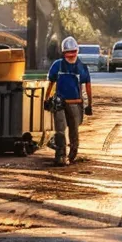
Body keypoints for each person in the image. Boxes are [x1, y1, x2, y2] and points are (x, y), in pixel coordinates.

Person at [44, 36, 93, 166]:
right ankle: (60, 156)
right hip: (60, 103)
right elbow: (51, 83)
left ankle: (73, 154)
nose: (71, 55)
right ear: (63, 53)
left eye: (73, 52)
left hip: (76, 103)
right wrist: (47, 98)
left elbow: (87, 85)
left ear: (77, 51)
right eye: (68, 53)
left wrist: (89, 104)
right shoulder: (57, 65)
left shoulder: (82, 67)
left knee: (74, 129)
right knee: (60, 130)